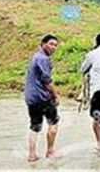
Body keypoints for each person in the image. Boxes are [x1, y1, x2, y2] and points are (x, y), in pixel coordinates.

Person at [24, 34, 60, 162]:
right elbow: (47, 81)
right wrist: (55, 95)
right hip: (43, 97)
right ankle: (50, 152)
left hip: (31, 98)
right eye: (51, 44)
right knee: (54, 123)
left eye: (55, 45)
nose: (53, 47)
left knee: (35, 126)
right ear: (43, 44)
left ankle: (32, 155)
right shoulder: (43, 59)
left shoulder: (35, 57)